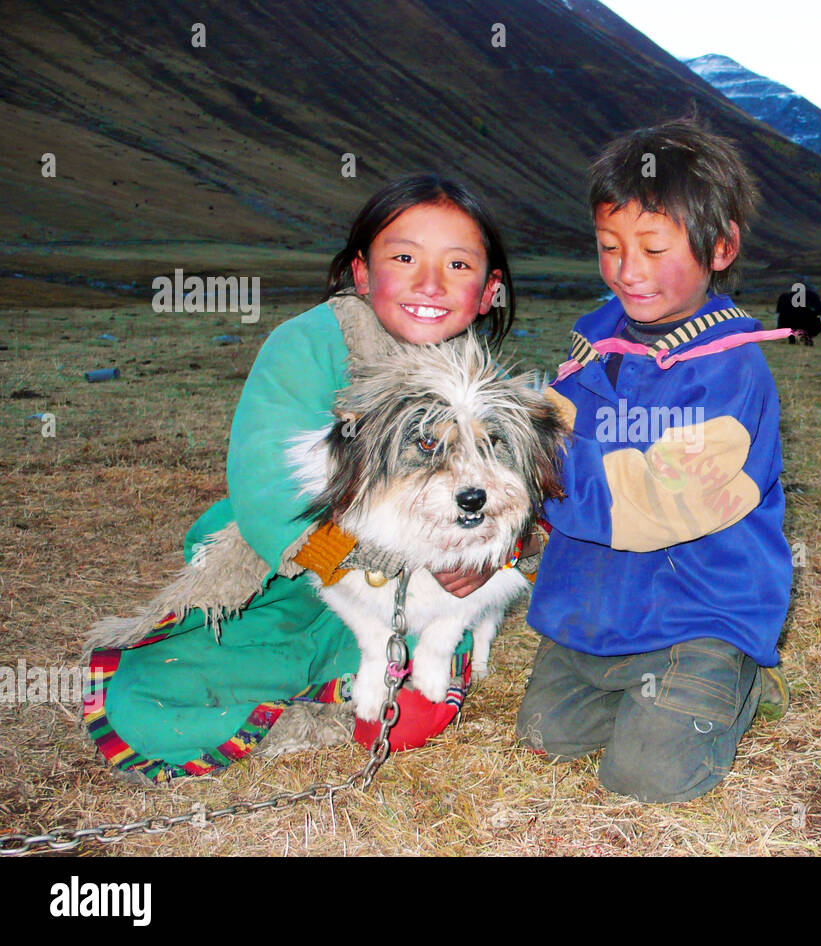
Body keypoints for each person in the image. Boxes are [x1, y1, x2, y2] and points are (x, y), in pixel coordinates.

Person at [84, 174, 516, 781]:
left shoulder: (480, 380)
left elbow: (513, 494)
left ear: (488, 289)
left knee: (406, 721)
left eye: (458, 265)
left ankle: (367, 676)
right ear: (362, 272)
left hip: (425, 594)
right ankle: (311, 688)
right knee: (144, 704)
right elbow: (268, 488)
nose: (430, 283)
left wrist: (486, 554)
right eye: (404, 257)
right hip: (292, 579)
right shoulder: (307, 345)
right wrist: (362, 560)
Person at [517, 118, 793, 803]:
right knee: (543, 738)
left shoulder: (733, 375)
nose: (626, 271)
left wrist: (529, 474)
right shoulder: (595, 339)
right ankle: (654, 701)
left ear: (720, 245)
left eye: (652, 247)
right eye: (609, 247)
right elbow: (546, 426)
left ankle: (736, 679)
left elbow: (652, 503)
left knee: (646, 778)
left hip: (696, 615)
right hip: (597, 611)